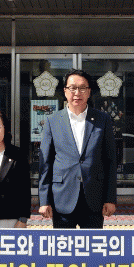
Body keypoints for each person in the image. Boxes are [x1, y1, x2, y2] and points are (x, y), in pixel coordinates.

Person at [38, 69, 117, 228]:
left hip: (94, 197)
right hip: (62, 196)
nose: (77, 93)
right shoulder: (53, 121)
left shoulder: (102, 119)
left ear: (89, 92)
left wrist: (110, 198)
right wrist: (44, 200)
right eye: (72, 88)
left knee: (93, 243)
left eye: (82, 88)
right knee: (63, 243)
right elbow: (45, 163)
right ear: (65, 91)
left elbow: (110, 160)